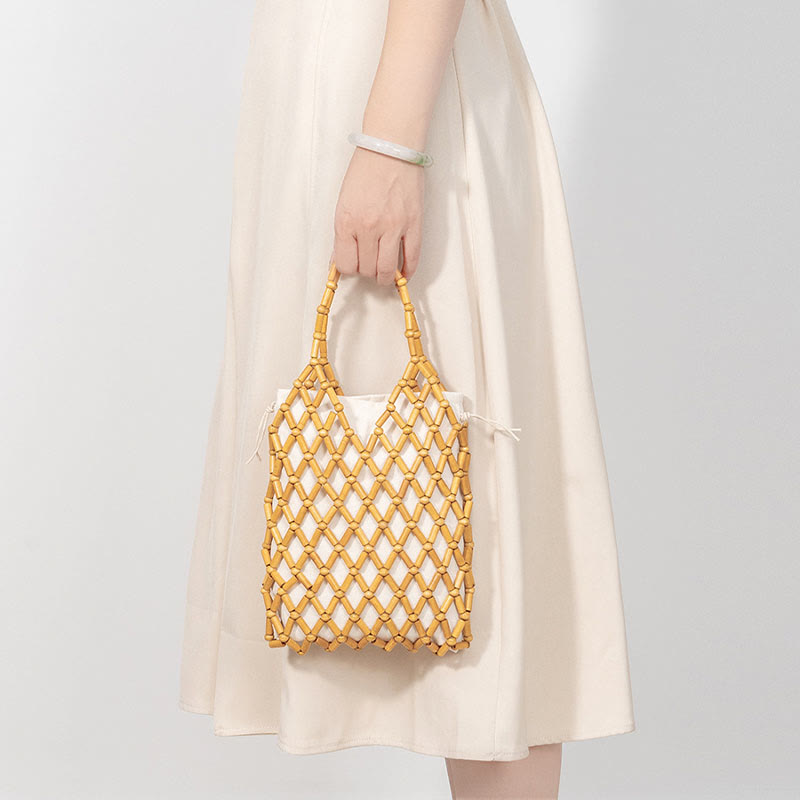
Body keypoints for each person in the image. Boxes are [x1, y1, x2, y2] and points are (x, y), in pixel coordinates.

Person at [179, 2, 636, 798]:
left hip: (391, 96)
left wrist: (390, 143)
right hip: (346, 92)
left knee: (474, 551)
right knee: (443, 524)